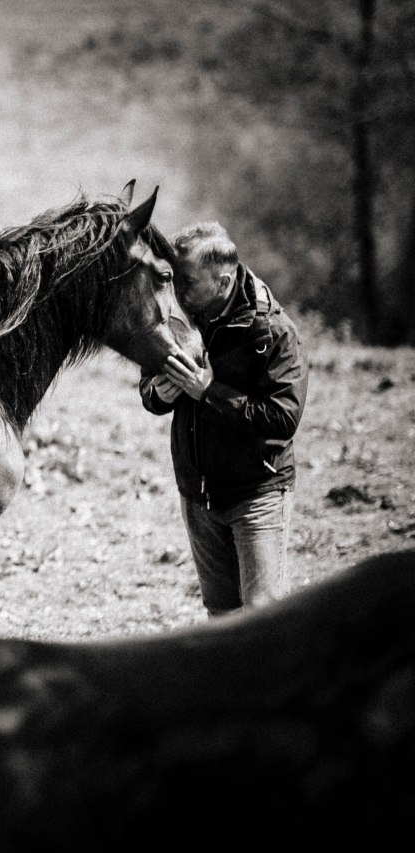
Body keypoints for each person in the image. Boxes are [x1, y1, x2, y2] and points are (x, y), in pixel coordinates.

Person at [140, 222, 308, 617]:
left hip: (258, 497)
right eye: (176, 279)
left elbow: (283, 417)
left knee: (262, 621)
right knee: (221, 619)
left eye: (190, 282)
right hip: (198, 497)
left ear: (223, 281)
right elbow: (149, 389)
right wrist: (158, 394)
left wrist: (209, 392)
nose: (178, 292)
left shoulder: (274, 331)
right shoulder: (176, 321)